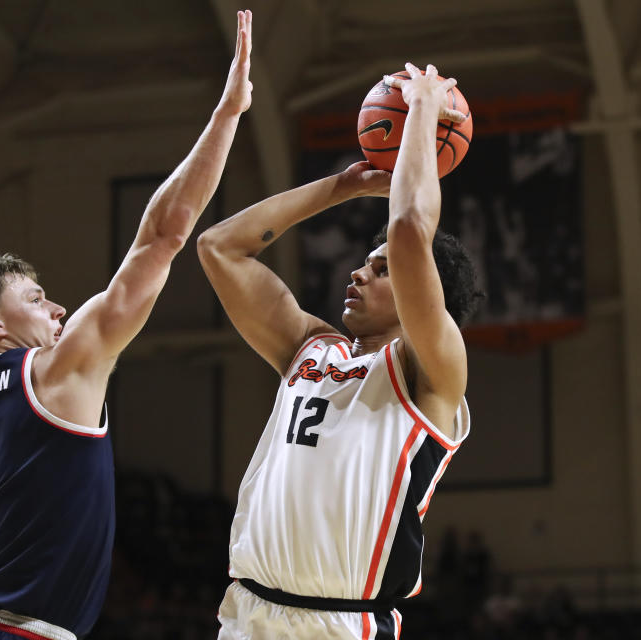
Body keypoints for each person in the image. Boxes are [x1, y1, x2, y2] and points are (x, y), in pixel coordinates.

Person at [0, 10, 253, 640]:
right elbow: (164, 234)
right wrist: (229, 112)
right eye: (36, 296)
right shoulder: (57, 368)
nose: (55, 308)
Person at [197, 62, 481, 638]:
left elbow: (407, 232)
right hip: (248, 615)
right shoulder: (311, 350)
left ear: (416, 291)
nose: (356, 273)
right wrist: (342, 188)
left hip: (340, 625)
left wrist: (422, 112)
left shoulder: (430, 373)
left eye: (378, 271)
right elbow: (220, 248)